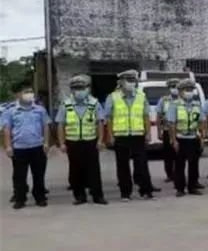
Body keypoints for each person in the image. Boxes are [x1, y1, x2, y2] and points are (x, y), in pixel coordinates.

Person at [55, 75, 107, 205]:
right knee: (75, 169)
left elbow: (100, 122)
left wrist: (100, 140)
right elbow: (60, 124)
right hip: (72, 142)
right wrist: (61, 143)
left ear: (87, 89)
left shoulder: (94, 103)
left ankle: (97, 196)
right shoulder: (66, 104)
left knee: (94, 170)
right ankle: (79, 196)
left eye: (82, 88)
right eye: (76, 88)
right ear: (72, 90)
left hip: (91, 141)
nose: (79, 91)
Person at [104, 70, 155, 201]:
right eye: (129, 81)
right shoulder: (113, 97)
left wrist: (148, 132)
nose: (131, 83)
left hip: (138, 135)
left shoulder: (141, 96)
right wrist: (110, 135)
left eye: (133, 81)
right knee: (122, 166)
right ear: (121, 82)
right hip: (121, 135)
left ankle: (146, 191)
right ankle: (125, 193)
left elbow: (146, 116)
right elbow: (108, 118)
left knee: (142, 164)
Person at [2, 81, 50, 209]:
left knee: (39, 174)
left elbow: (45, 126)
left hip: (37, 147)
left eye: (30, 92)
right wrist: (7, 146)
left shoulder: (40, 109)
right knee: (19, 176)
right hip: (19, 148)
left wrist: (46, 142)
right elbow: (6, 129)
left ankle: (40, 197)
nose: (29, 94)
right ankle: (20, 198)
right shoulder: (11, 111)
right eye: (26, 92)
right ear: (18, 95)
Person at [167, 79, 207, 197]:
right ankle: (180, 188)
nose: (189, 92)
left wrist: (202, 138)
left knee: (193, 164)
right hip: (180, 137)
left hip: (193, 137)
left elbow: (201, 122)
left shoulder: (197, 104)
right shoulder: (174, 105)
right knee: (180, 164)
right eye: (186, 90)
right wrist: (173, 140)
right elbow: (172, 124)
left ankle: (193, 186)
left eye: (191, 90)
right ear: (180, 92)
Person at [156, 78, 180, 183]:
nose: (174, 89)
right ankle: (169, 175)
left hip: (180, 131)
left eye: (176, 87)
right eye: (172, 87)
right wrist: (159, 131)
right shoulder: (164, 100)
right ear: (169, 88)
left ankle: (179, 174)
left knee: (179, 154)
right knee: (168, 155)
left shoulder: (182, 100)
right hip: (167, 130)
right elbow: (159, 116)